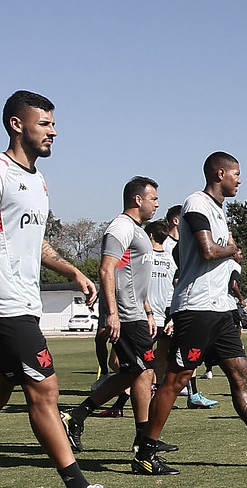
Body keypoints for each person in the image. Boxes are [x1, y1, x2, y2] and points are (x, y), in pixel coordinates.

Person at [0, 90, 132, 488]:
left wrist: (71, 272)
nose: (53, 131)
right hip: (4, 307)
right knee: (45, 392)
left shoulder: (37, 180)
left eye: (52, 123)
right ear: (16, 124)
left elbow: (36, 243)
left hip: (23, 302)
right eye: (44, 123)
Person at [141, 152, 247, 471]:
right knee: (176, 381)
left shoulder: (219, 210)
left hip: (222, 310)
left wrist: (231, 257)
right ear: (219, 174)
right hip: (197, 308)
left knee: (242, 376)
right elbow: (207, 251)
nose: (240, 180)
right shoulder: (197, 204)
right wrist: (232, 250)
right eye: (236, 174)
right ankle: (144, 453)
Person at [64, 178, 169, 456]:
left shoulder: (137, 230)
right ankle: (143, 439)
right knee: (144, 372)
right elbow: (106, 270)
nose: (157, 204)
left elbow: (134, 276)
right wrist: (112, 314)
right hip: (124, 315)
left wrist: (147, 311)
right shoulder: (121, 227)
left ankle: (76, 416)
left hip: (136, 314)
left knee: (133, 373)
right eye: (153, 198)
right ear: (138, 200)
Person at [154, 204, 220, 409]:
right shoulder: (164, 245)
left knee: (183, 353)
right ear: (177, 221)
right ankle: (155, 392)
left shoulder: (182, 245)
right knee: (164, 353)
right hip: (167, 306)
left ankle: (191, 394)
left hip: (177, 305)